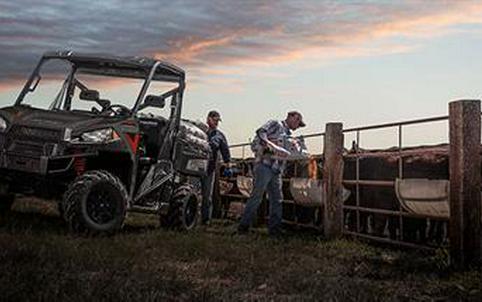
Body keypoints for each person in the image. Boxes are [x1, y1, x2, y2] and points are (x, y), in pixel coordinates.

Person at [238, 111, 306, 236]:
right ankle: (244, 226)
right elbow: (261, 131)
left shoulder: (290, 136)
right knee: (257, 196)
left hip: (276, 170)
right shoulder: (275, 123)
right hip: (264, 165)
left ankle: (275, 230)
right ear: (290, 116)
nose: (297, 126)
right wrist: (269, 144)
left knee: (277, 199)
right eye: (297, 121)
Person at [201, 110, 231, 225]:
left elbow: (225, 150)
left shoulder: (219, 135)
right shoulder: (200, 132)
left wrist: (228, 165)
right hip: (194, 166)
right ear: (208, 119)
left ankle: (205, 220)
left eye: (218, 121)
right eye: (215, 120)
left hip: (209, 168)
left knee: (207, 195)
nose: (217, 123)